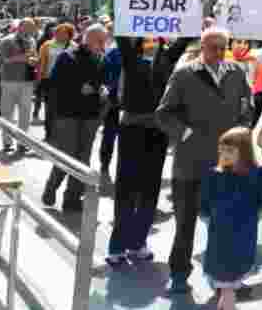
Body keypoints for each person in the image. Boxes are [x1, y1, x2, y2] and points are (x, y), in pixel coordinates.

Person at [155, 27, 254, 295]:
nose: (219, 53)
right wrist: (187, 134)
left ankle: (226, 279)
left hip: (226, 164)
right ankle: (178, 275)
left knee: (225, 225)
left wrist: (242, 130)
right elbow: (164, 114)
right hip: (191, 164)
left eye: (223, 47)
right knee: (185, 225)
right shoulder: (185, 73)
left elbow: (248, 105)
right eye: (214, 47)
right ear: (202, 47)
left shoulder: (236, 72)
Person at [107, 35, 193, 266]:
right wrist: (118, 3)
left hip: (157, 131)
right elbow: (122, 32)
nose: (151, 43)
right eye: (146, 40)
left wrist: (199, 10)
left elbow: (184, 39)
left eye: (155, 40)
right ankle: (117, 245)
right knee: (126, 187)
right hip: (132, 129)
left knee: (150, 188)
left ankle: (138, 242)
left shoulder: (167, 59)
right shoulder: (130, 57)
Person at [200, 127, 262, 310]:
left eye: (230, 150)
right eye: (221, 150)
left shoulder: (257, 173)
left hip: (243, 236)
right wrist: (208, 218)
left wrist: (252, 218)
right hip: (220, 236)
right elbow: (204, 204)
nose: (224, 154)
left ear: (244, 152)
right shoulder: (214, 174)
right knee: (227, 286)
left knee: (227, 287)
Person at [42, 23, 108, 211]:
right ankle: (52, 186)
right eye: (100, 41)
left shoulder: (101, 58)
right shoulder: (67, 56)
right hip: (68, 114)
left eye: (104, 41)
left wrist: (101, 89)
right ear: (89, 39)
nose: (103, 44)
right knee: (67, 156)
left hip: (90, 115)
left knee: (83, 159)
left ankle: (72, 198)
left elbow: (102, 81)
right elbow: (54, 85)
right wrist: (77, 89)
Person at [0, 18, 40, 154]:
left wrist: (34, 61)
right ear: (20, 27)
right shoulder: (7, 41)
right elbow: (0, 60)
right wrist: (22, 58)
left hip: (27, 81)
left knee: (25, 113)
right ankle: (7, 142)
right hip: (10, 80)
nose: (29, 31)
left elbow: (34, 57)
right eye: (27, 28)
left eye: (31, 29)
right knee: (7, 112)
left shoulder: (32, 41)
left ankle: (22, 142)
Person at [37, 23, 74, 141]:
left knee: (64, 108)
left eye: (63, 33)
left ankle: (61, 133)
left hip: (67, 83)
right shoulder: (47, 45)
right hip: (49, 80)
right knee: (50, 108)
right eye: (57, 32)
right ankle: (49, 133)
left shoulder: (74, 46)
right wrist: (39, 78)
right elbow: (41, 61)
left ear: (69, 35)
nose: (59, 35)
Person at [99, 32, 122, 180]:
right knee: (109, 136)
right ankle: (105, 165)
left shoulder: (146, 51)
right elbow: (104, 74)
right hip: (114, 102)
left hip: (134, 104)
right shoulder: (113, 52)